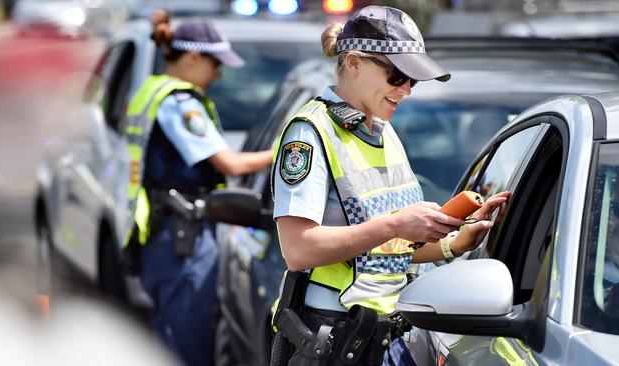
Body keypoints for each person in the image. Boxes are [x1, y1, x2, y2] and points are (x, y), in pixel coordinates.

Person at [269, 6, 510, 366]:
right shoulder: (310, 133)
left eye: (413, 80)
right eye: (397, 75)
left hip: (387, 340)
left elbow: (381, 255)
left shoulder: (383, 132)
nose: (407, 90)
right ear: (353, 62)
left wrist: (453, 243)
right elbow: (298, 250)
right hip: (333, 339)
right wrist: (397, 224)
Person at [124, 11, 273, 365]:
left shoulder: (149, 90)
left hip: (161, 232)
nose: (219, 74)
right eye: (215, 63)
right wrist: (289, 147)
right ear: (192, 57)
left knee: (169, 337)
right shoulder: (179, 103)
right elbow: (232, 165)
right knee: (186, 342)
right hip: (183, 238)